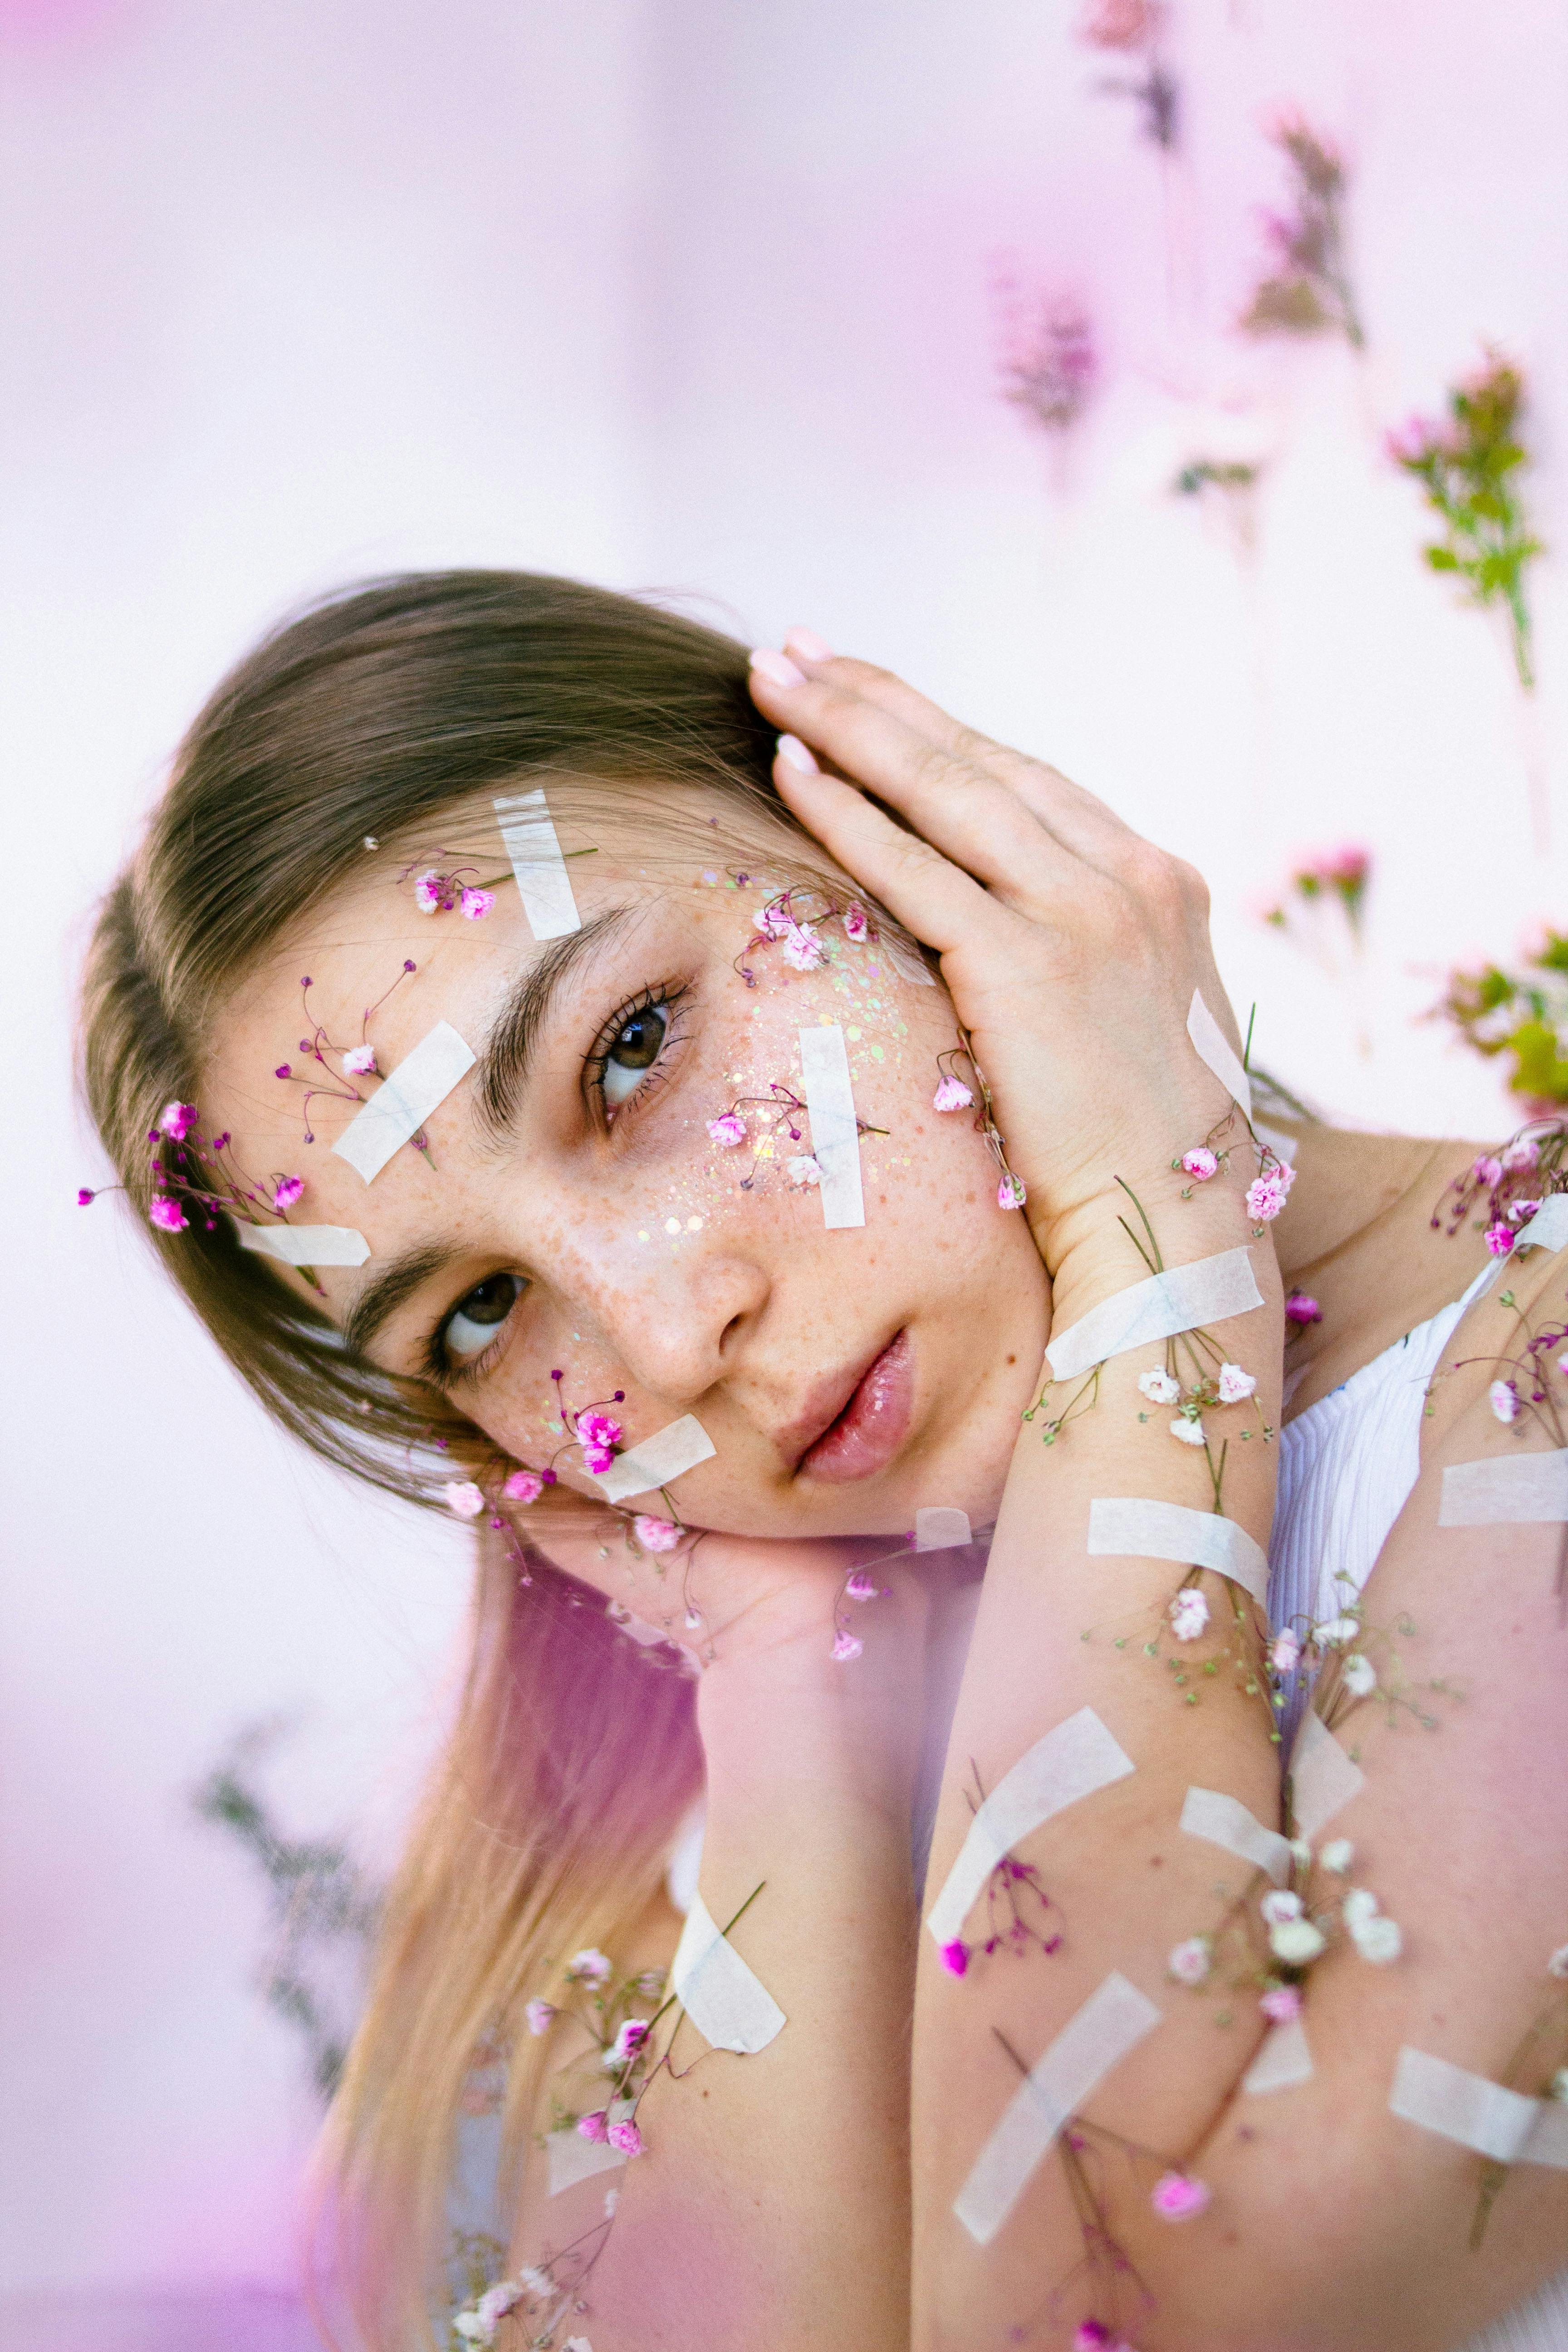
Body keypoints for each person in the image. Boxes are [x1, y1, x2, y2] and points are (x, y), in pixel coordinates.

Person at [79, 572, 1568, 2351]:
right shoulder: (677, 1891)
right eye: (482, 1315)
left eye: (630, 1047)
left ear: (904, 833)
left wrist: (1161, 1266)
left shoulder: (1534, 1379)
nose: (655, 1334)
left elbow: (1118, 2314)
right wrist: (794, 1701)